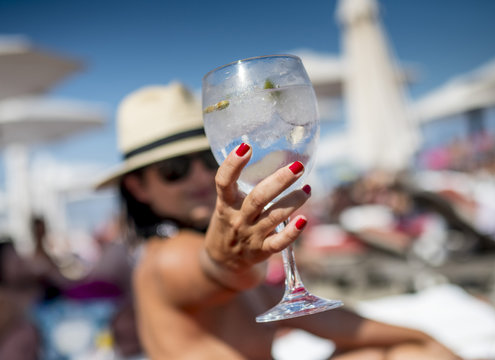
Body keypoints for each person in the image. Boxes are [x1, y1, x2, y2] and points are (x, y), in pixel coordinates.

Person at [96, 82, 460, 360]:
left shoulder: (185, 254)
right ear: (138, 187)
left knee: (404, 351)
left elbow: (332, 322)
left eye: (207, 160)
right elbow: (214, 268)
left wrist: (427, 338)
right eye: (173, 170)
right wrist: (229, 257)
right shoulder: (166, 257)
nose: (197, 178)